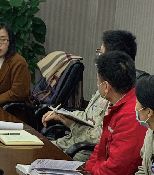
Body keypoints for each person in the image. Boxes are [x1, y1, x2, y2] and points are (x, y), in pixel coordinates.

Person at [43, 30, 138, 161]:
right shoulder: (104, 85)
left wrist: (72, 125)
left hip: (83, 151)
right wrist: (62, 115)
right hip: (72, 141)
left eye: (101, 54)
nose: (98, 58)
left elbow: (100, 137)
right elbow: (88, 116)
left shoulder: (119, 94)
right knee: (34, 148)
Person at [83, 51, 146, 175]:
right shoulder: (118, 105)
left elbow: (118, 167)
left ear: (106, 86)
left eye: (98, 81)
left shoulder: (132, 113)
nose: (97, 84)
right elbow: (100, 150)